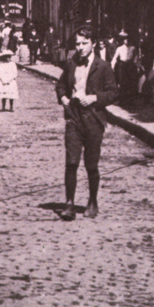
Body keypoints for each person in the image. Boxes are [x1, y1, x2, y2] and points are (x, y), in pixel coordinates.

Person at [54, 26, 117, 221]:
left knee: (91, 164)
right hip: (74, 118)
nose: (80, 48)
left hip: (93, 120)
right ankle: (69, 203)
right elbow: (61, 85)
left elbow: (113, 93)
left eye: (84, 43)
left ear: (94, 44)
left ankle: (92, 201)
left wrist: (94, 98)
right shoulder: (71, 63)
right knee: (71, 162)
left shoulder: (103, 66)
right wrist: (63, 98)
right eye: (78, 44)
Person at [111, 30, 141, 105]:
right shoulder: (119, 48)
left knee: (130, 83)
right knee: (122, 83)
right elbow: (114, 58)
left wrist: (137, 67)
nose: (126, 41)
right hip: (122, 66)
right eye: (125, 39)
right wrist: (112, 67)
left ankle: (130, 101)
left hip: (130, 66)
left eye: (128, 39)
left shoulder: (133, 48)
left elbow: (136, 58)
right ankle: (122, 100)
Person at [0, 47, 19, 111]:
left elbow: (15, 73)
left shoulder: (13, 64)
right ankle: (3, 106)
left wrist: (9, 79)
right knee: (4, 95)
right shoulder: (2, 65)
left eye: (9, 57)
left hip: (10, 81)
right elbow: (0, 73)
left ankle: (11, 106)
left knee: (11, 95)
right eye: (6, 57)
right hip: (3, 81)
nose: (7, 58)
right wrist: (3, 80)